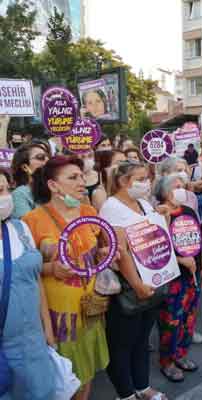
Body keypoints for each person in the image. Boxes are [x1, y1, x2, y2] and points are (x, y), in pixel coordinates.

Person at [23, 156, 110, 400]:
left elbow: (103, 246)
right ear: (53, 185)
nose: (82, 182)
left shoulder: (89, 211)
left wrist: (103, 253)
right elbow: (22, 270)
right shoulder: (31, 221)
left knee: (87, 373)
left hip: (92, 310)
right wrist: (52, 269)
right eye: (73, 177)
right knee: (64, 381)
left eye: (82, 176)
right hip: (58, 319)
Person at [99, 161, 168, 400]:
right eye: (140, 179)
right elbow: (121, 251)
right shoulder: (112, 207)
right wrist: (137, 285)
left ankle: (142, 386)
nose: (146, 183)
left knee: (142, 339)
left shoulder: (145, 203)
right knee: (122, 343)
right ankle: (126, 393)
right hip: (130, 285)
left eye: (147, 178)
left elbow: (158, 238)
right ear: (122, 181)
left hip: (151, 279)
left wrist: (164, 217)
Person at [0, 169, 57, 400]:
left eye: (4, 189)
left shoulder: (20, 229)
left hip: (34, 341)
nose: (4, 196)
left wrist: (48, 330)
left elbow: (35, 281)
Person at [152, 175, 202, 382]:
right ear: (164, 192)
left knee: (189, 318)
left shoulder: (189, 211)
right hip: (172, 278)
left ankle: (181, 354)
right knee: (171, 320)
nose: (181, 189)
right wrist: (180, 259)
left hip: (192, 275)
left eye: (182, 186)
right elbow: (155, 247)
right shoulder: (157, 214)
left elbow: (197, 242)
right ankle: (167, 361)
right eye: (175, 187)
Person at [11, 143, 50, 218]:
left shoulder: (53, 190)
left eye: (48, 157)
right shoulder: (19, 194)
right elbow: (30, 226)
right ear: (25, 167)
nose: (47, 160)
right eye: (40, 157)